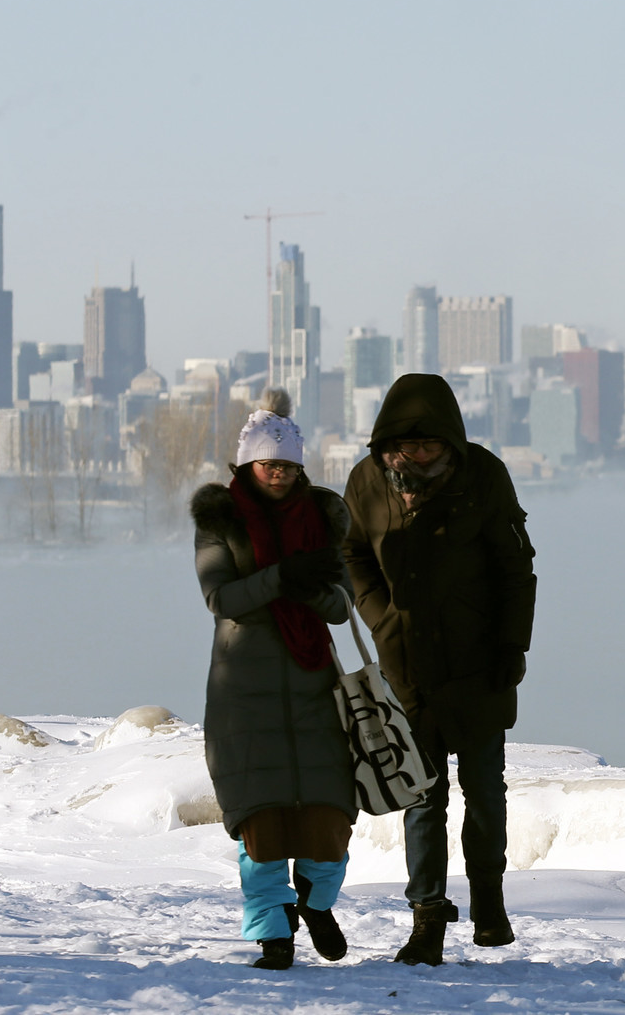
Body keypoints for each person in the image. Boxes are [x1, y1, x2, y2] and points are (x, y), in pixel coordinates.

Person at [344, 372, 536, 967]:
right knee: (422, 797)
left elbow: (515, 566)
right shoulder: (367, 480)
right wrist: (381, 618)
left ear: (451, 439)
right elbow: (350, 554)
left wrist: (513, 645)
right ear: (388, 441)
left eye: (431, 444)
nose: (420, 454)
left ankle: (490, 904)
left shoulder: (482, 475)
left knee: (485, 792)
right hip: (407, 664)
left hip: (480, 663)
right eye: (409, 444)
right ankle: (426, 916)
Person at [190, 390, 358, 971]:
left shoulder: (323, 518)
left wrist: (312, 586)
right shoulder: (221, 520)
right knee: (261, 824)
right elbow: (222, 597)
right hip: (245, 695)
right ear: (247, 465)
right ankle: (272, 935)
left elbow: (341, 606)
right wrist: (284, 575)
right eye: (269, 464)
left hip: (316, 688)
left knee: (328, 815)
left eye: (289, 465)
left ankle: (315, 904)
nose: (280, 475)